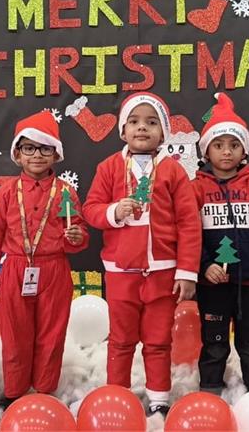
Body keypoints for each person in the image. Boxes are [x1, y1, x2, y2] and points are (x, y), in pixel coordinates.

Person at [83, 92, 201, 416]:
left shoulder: (174, 171)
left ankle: (159, 398)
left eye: (151, 122)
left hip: (163, 271)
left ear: (163, 133)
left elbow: (189, 223)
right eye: (134, 122)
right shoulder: (108, 168)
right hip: (121, 272)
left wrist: (187, 271)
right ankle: (117, 396)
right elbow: (90, 209)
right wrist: (113, 212)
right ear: (123, 131)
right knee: (121, 340)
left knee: (159, 339)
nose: (142, 128)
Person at [0, 110, 88, 410]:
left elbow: (78, 236)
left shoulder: (66, 192)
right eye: (29, 148)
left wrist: (76, 237)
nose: (37, 155)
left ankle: (44, 390)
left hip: (54, 270)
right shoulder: (6, 193)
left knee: (52, 334)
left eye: (45, 148)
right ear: (17, 154)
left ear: (56, 154)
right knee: (15, 334)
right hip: (15, 269)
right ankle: (15, 391)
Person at [192, 92, 249, 395]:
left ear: (243, 149)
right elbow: (189, 234)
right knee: (214, 342)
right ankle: (210, 390)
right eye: (218, 145)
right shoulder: (195, 190)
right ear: (207, 151)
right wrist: (205, 266)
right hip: (212, 285)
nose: (226, 151)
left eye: (234, 145)